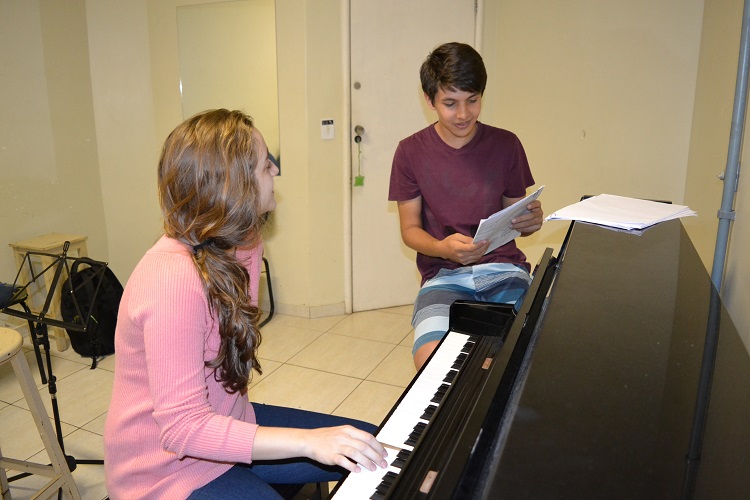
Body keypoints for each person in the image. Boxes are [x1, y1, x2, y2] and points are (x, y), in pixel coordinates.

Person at [104, 109, 387, 499]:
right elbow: (183, 429)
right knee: (333, 448)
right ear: (231, 185)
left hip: (227, 426)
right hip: (165, 471)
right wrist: (307, 442)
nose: (275, 169)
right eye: (264, 164)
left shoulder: (246, 242)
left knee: (375, 446)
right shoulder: (171, 280)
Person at [389, 42, 544, 370]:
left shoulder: (506, 144)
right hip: (442, 275)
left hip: (504, 269)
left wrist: (530, 220)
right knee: (432, 361)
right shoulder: (409, 152)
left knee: (524, 353)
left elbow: (518, 215)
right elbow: (410, 230)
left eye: (472, 101)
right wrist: (443, 248)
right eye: (450, 103)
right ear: (429, 100)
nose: (463, 114)